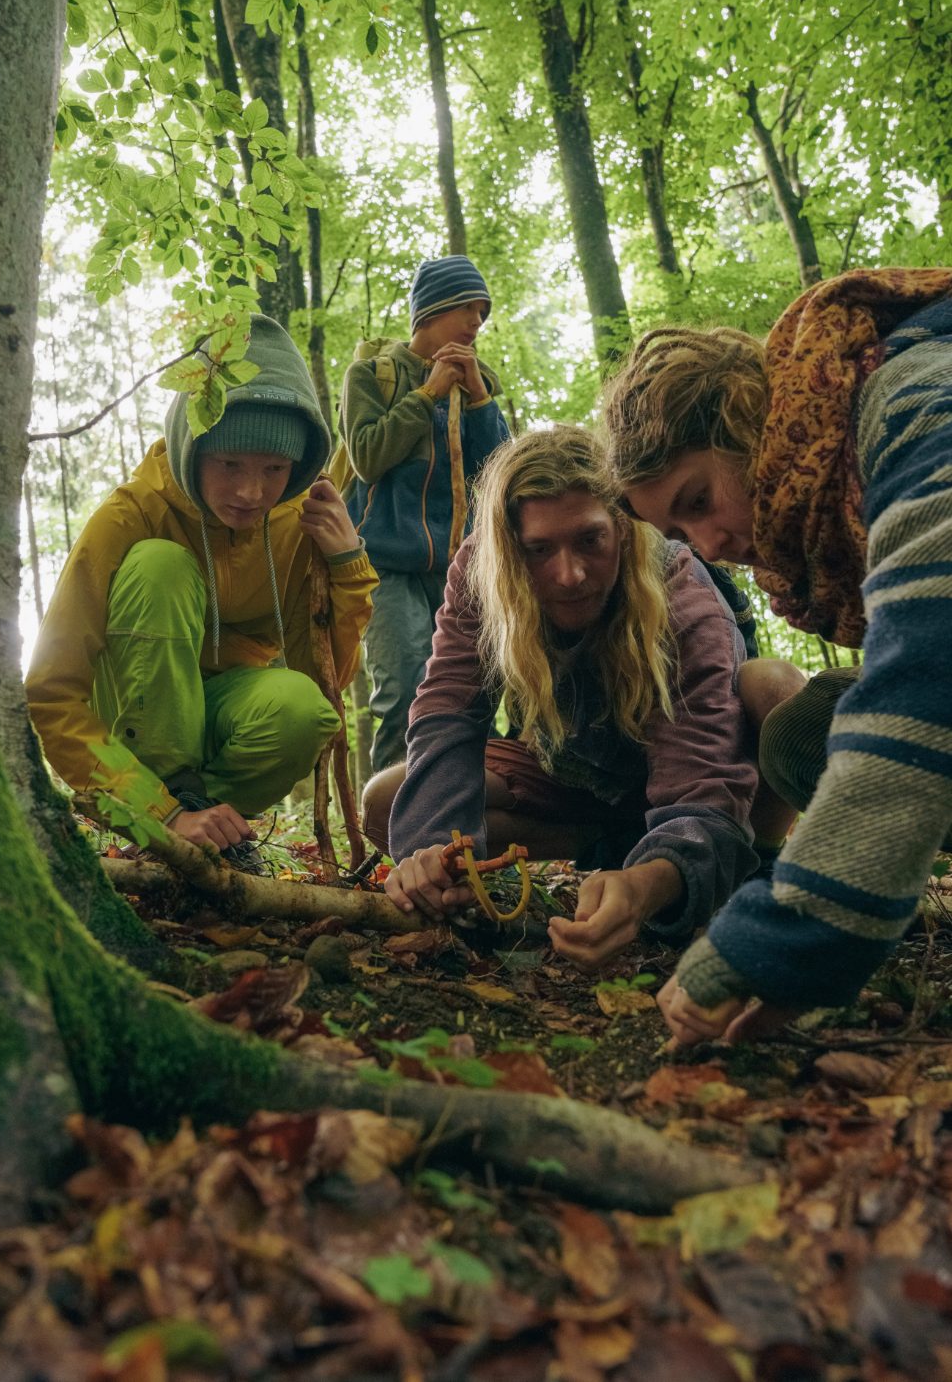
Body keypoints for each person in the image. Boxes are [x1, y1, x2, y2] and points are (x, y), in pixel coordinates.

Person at [604, 266, 952, 1044]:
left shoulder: (912, 397)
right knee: (804, 733)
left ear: (744, 418)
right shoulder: (843, 464)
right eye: (679, 534)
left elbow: (932, 660)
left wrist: (791, 941)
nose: (710, 546)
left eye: (698, 501)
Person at [363, 425, 775, 964]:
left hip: (681, 777)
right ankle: (611, 846)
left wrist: (655, 882)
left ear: (621, 528)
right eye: (539, 550)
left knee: (775, 687)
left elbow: (704, 776)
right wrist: (433, 852)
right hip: (573, 777)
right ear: (511, 549)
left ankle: (754, 867)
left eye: (589, 541)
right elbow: (448, 708)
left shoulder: (680, 590)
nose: (570, 575)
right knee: (390, 802)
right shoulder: (483, 569)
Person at [26, 315, 377, 869]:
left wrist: (346, 565)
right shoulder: (132, 514)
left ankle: (204, 830)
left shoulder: (299, 524)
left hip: (224, 715)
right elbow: (52, 690)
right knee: (159, 566)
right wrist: (153, 809)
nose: (251, 491)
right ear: (193, 448)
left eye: (274, 468)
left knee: (303, 710)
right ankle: (166, 819)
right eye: (229, 463)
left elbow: (322, 683)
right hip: (132, 720)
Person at [339, 255, 510, 774]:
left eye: (482, 313)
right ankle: (393, 815)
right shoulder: (371, 376)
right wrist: (428, 394)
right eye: (468, 308)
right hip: (386, 566)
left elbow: (503, 476)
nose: (477, 322)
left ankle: (474, 810)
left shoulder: (478, 385)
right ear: (432, 309)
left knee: (475, 697)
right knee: (404, 691)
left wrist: (479, 399)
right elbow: (367, 456)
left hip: (461, 570)